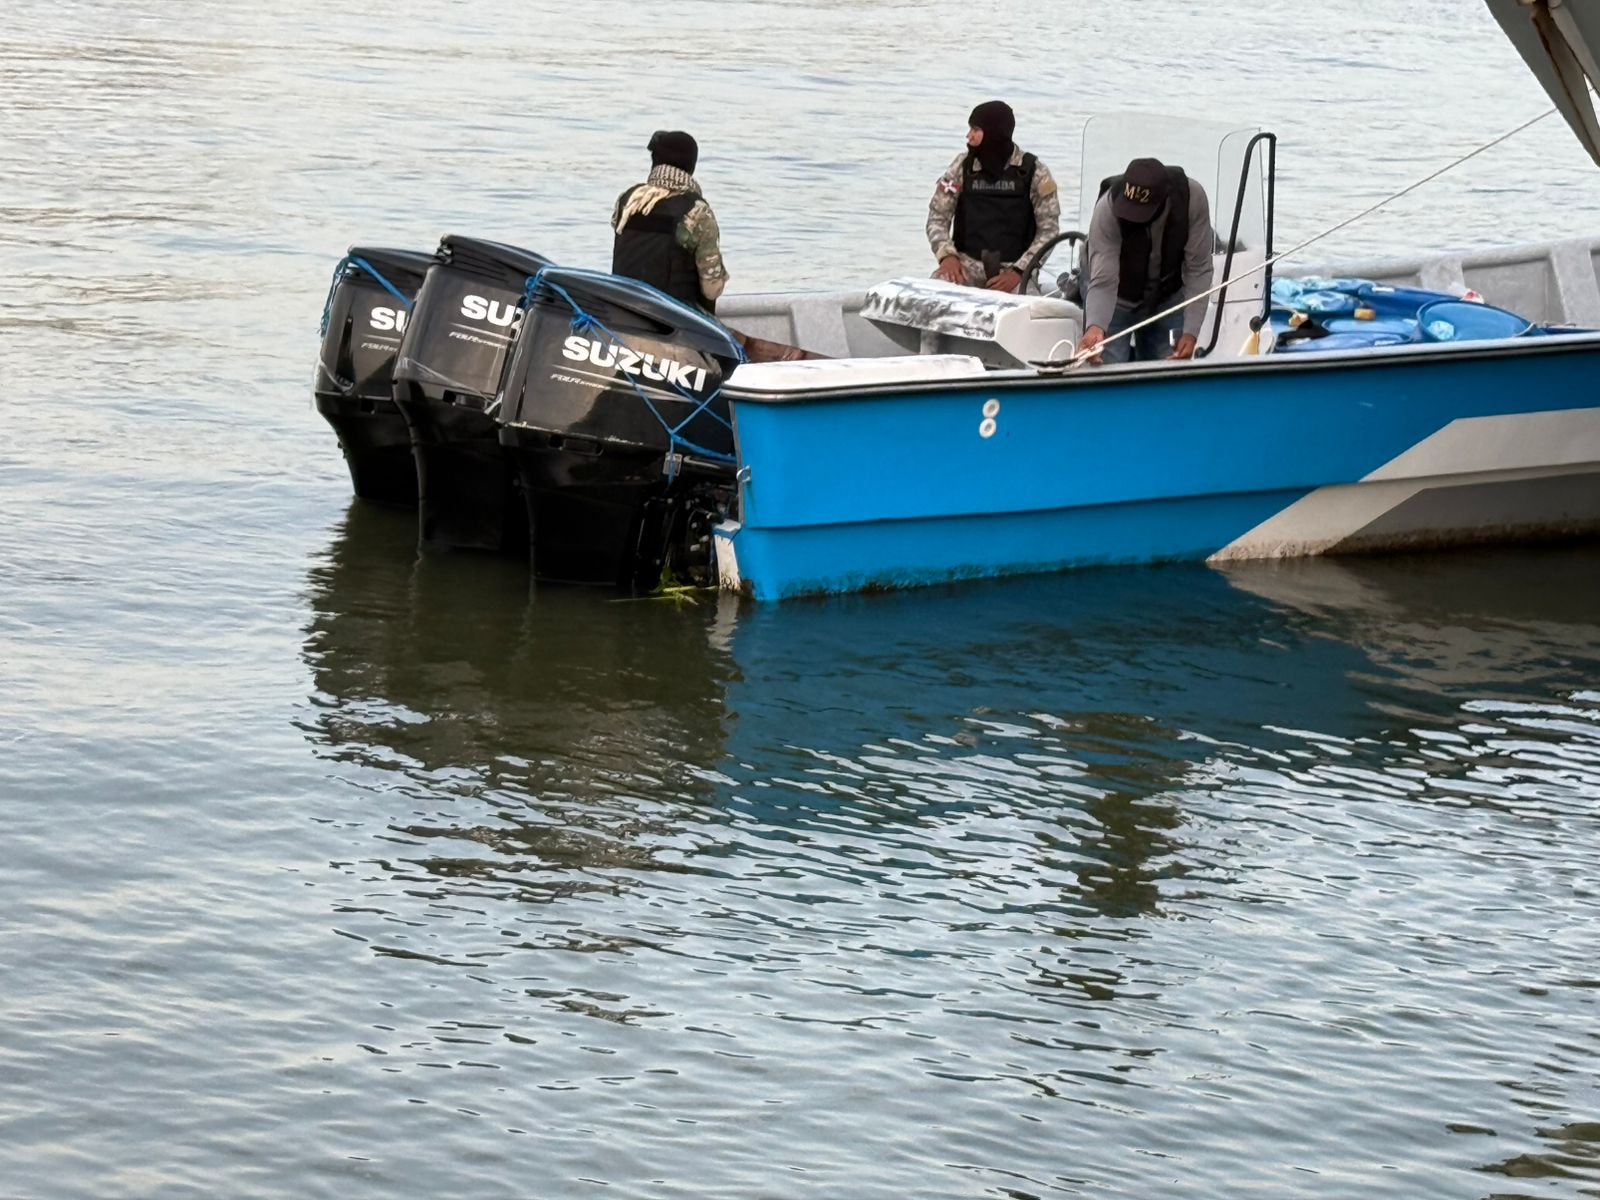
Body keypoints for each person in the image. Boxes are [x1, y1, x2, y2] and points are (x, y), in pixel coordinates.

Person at [1077, 157, 1215, 364]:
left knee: (1167, 376)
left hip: (1168, 299)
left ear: (1164, 198)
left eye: (1141, 211)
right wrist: (1096, 326)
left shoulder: (1192, 198)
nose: (1134, 217)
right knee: (1108, 374)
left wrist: (1191, 332)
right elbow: (1103, 280)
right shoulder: (1107, 209)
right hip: (1115, 301)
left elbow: (1199, 268)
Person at [926, 101, 1061, 293]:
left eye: (975, 129)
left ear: (994, 132)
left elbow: (1049, 231)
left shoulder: (1034, 172)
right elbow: (937, 217)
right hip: (964, 268)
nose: (968, 136)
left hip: (1014, 273)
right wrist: (947, 256)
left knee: (1029, 310)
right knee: (932, 295)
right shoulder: (962, 167)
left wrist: (1019, 271)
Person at [612, 131, 729, 314]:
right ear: (691, 166)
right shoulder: (697, 212)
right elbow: (711, 288)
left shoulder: (628, 201)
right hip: (672, 320)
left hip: (622, 309)